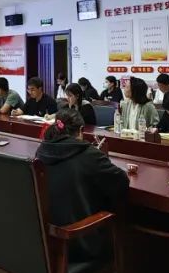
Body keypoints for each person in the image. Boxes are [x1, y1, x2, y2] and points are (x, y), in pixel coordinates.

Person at [36, 106, 129, 262]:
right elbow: (121, 182)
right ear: (81, 130)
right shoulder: (88, 154)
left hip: (48, 242)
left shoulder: (42, 151)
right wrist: (102, 160)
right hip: (78, 243)